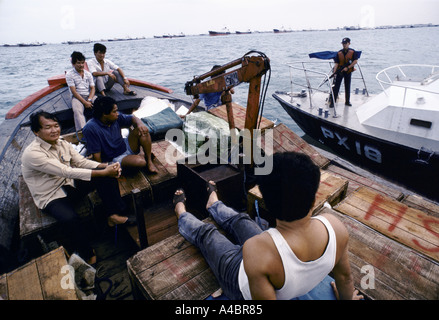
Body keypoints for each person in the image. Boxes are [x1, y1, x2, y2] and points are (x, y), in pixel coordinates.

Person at [173, 151, 363, 300]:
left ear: (268, 204)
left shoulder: (257, 249)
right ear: (314, 200)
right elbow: (345, 278)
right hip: (267, 261)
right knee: (242, 220)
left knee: (208, 234)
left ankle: (181, 213)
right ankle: (213, 204)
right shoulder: (335, 227)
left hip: (240, 283)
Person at [21, 111, 132, 265]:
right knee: (71, 219)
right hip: (51, 195)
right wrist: (102, 171)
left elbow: (81, 162)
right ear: (36, 132)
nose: (54, 130)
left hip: (68, 185)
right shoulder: (33, 154)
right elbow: (66, 171)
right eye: (48, 127)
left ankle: (113, 215)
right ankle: (87, 252)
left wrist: (105, 166)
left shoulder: (62, 143)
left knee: (108, 175)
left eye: (56, 125)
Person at [82, 96, 157, 173]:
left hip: (124, 145)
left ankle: (149, 161)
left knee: (143, 131)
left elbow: (132, 118)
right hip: (114, 158)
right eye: (114, 112)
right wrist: (104, 171)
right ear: (104, 114)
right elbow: (96, 155)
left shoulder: (115, 117)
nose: (117, 114)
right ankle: (141, 155)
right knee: (141, 162)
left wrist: (140, 124)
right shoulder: (91, 128)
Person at [66, 51, 97, 131]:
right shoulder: (69, 74)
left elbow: (93, 88)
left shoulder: (88, 74)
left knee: (101, 103)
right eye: (78, 63)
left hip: (88, 96)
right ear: (73, 64)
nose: (81, 65)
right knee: (77, 111)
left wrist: (89, 100)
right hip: (77, 97)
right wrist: (85, 102)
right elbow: (74, 91)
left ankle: (102, 125)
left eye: (82, 63)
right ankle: (82, 131)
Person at [329, 37, 359, 107]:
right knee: (336, 87)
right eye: (343, 44)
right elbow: (336, 63)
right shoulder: (339, 53)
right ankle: (333, 102)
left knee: (347, 86)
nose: (344, 45)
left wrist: (348, 67)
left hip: (348, 72)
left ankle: (347, 102)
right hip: (340, 72)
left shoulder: (352, 52)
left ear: (349, 43)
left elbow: (355, 61)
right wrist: (334, 73)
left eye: (346, 43)